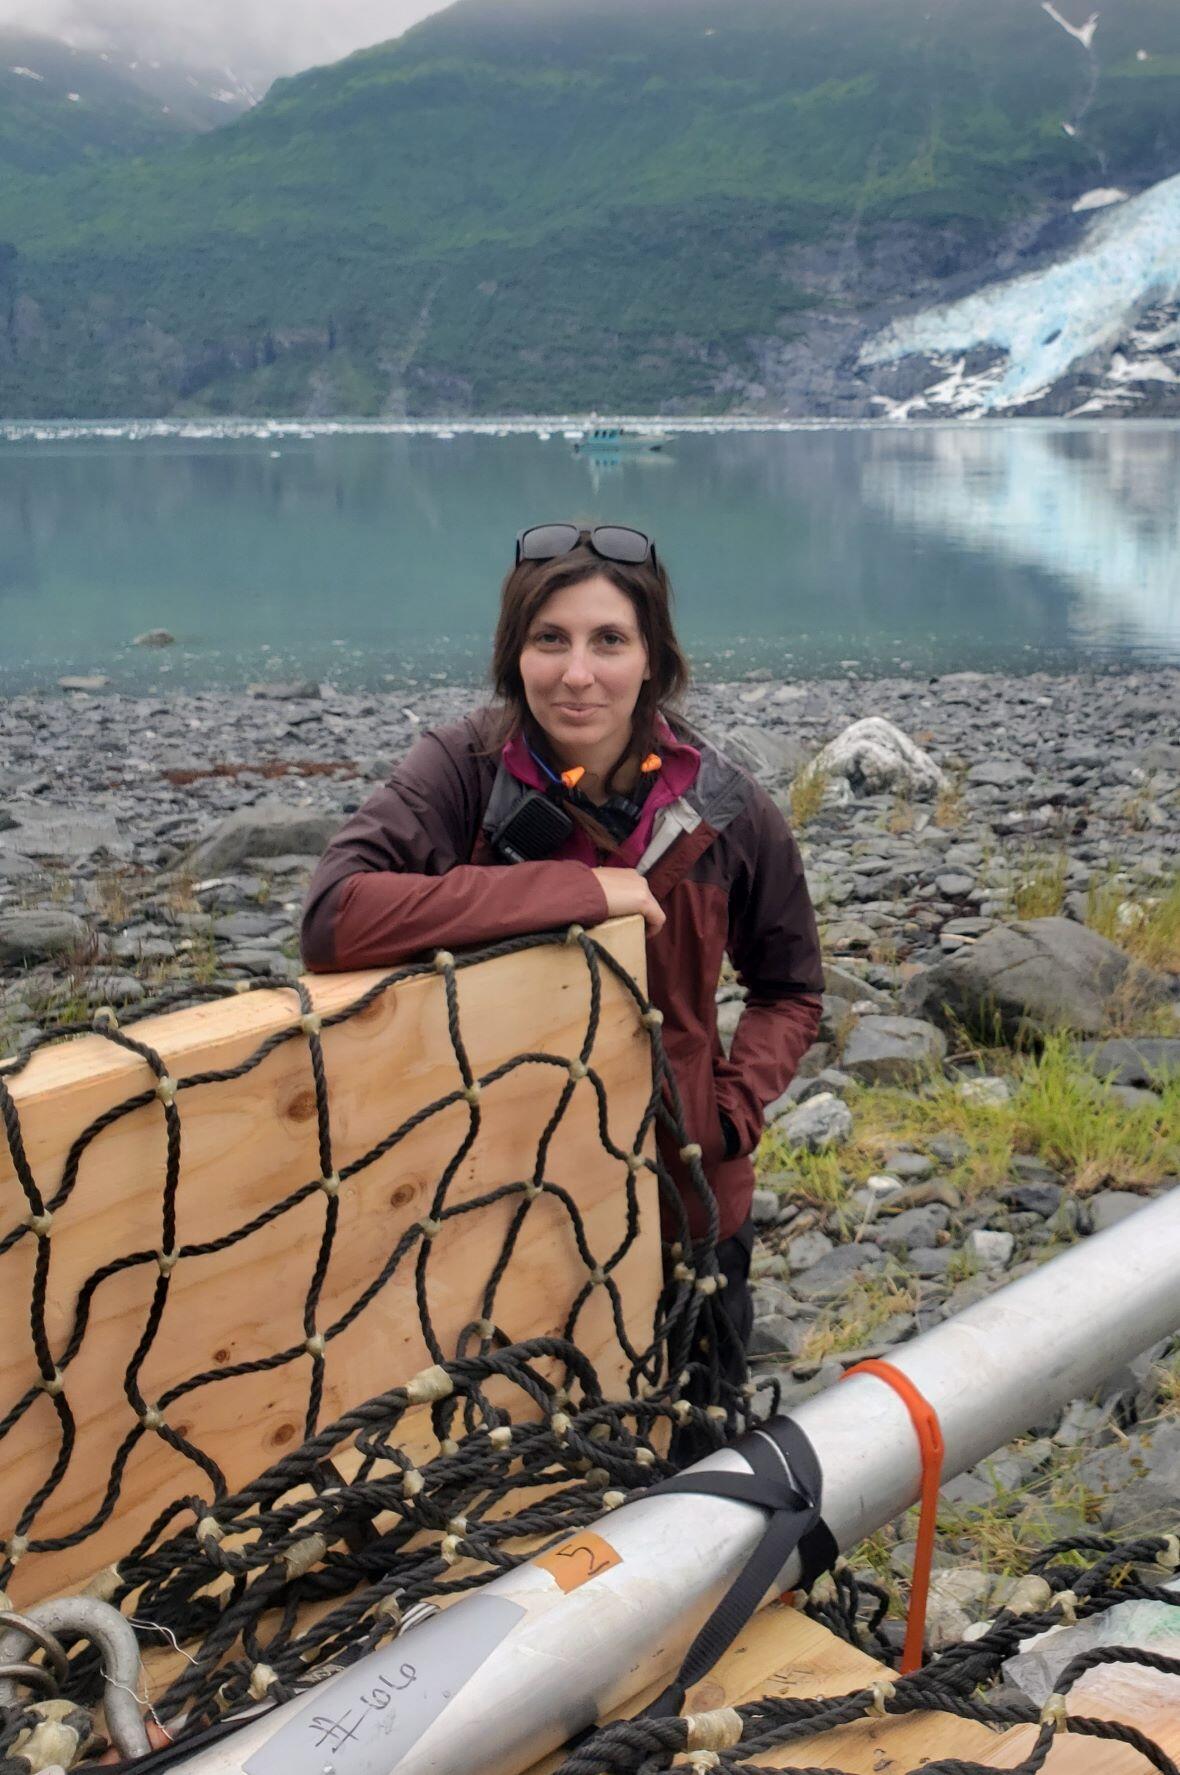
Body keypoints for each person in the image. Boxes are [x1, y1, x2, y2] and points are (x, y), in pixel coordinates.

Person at [301, 522, 824, 1393]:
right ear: (516, 654)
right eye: (551, 640)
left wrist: (726, 1116)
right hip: (492, 1201)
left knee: (697, 1462)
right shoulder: (463, 770)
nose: (577, 673)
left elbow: (792, 987)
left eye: (608, 640)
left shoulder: (726, 806)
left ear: (652, 657)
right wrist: (579, 892)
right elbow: (333, 915)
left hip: (677, 1206)